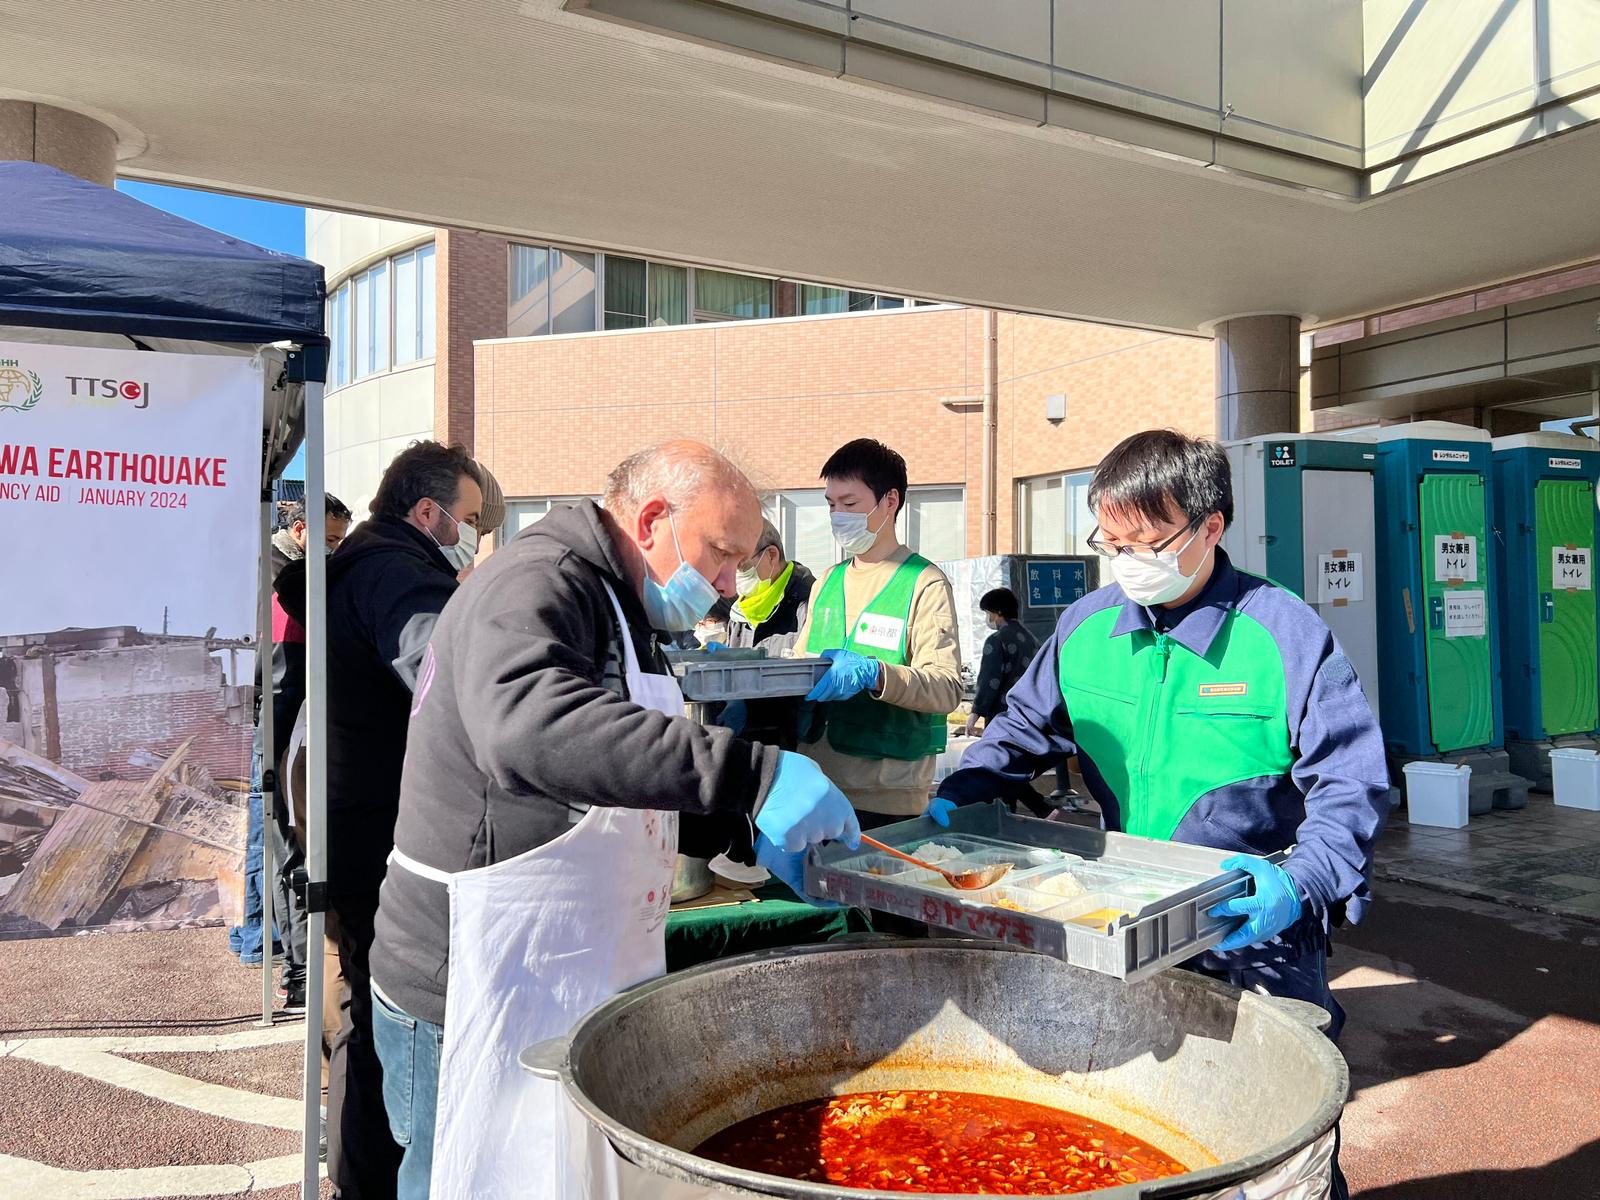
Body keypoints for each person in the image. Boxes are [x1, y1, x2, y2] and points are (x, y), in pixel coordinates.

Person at [368, 440, 858, 1200]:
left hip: (558, 959)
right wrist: (751, 776)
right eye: (721, 555)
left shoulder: (623, 606)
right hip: (464, 975)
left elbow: (619, 771)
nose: (728, 585)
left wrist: (740, 834)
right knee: (457, 1178)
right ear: (654, 518)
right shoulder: (539, 580)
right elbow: (529, 728)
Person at [934, 429, 1387, 1200]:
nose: (1126, 560)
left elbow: (1352, 784)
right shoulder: (1085, 626)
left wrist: (1299, 882)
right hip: (1127, 920)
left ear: (1211, 527)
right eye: (1110, 541)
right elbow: (1018, 731)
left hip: (1257, 930)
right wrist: (960, 790)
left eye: (1146, 540)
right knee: (1144, 1131)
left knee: (1279, 1154)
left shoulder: (1283, 634)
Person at [277, 440, 482, 1200]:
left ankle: (359, 1173)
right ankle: (370, 1182)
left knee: (362, 1011)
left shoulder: (360, 562)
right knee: (378, 1021)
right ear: (426, 512)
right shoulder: (399, 574)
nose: (470, 532)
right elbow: (447, 676)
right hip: (378, 824)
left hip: (343, 812)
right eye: (465, 517)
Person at [791, 438, 963, 828]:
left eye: (850, 504)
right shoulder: (827, 583)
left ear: (890, 501)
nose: (838, 516)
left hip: (888, 796)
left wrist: (876, 674)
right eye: (831, 505)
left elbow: (946, 688)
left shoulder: (923, 582)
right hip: (816, 785)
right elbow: (800, 667)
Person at [265, 494, 352, 1015]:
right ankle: (298, 972)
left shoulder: (294, 575)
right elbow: (282, 677)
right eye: (331, 541)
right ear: (301, 531)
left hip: (295, 734)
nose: (336, 552)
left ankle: (295, 964)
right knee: (287, 854)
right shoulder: (283, 582)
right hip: (280, 740)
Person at [963, 587, 1038, 738]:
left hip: (1002, 717)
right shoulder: (1032, 640)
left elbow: (989, 679)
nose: (987, 617)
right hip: (1031, 716)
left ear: (998, 612)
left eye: (987, 613)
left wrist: (976, 712)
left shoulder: (996, 640)